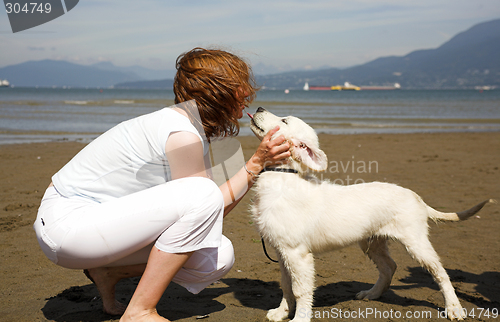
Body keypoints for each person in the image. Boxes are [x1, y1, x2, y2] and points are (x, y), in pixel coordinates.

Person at [33, 47, 291, 322]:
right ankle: (139, 311)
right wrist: (255, 164)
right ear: (219, 92)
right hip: (67, 227)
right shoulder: (182, 133)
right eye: (242, 90)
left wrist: (256, 164)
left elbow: (205, 215)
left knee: (218, 255)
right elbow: (206, 204)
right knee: (203, 195)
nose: (248, 98)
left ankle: (108, 273)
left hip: (84, 225)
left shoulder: (186, 126)